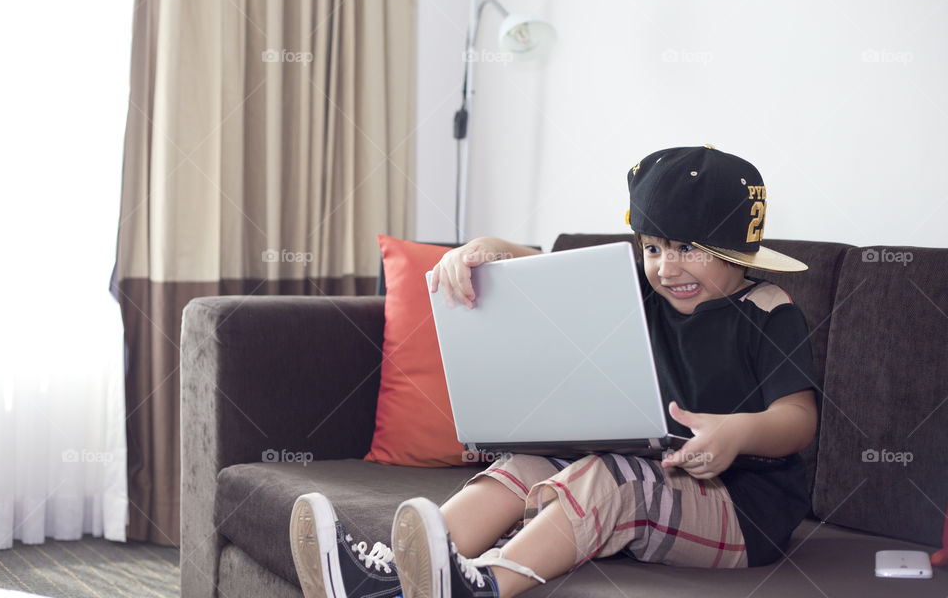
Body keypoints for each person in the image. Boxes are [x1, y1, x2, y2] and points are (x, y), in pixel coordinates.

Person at [288, 145, 819, 598]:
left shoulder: (769, 310)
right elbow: (546, 272)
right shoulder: (639, 292)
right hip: (657, 471)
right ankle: (390, 575)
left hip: (742, 511)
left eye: (687, 249)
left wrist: (739, 431)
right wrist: (486, 250)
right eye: (653, 247)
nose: (666, 267)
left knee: (611, 479)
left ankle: (485, 584)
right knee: (528, 464)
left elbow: (799, 417)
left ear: (738, 252)